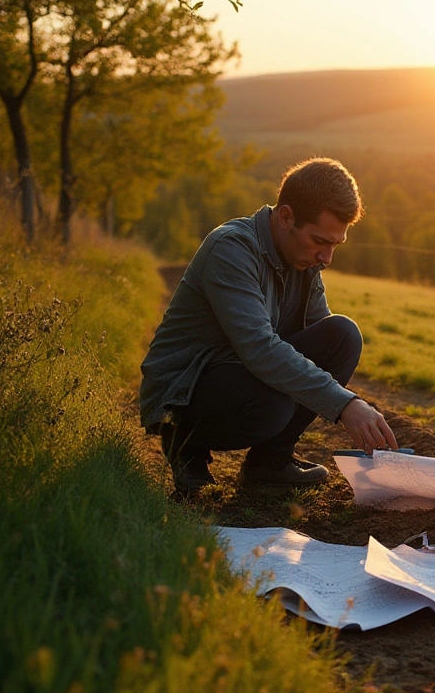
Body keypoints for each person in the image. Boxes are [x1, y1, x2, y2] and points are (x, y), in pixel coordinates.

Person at [139, 157, 397, 494]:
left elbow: (320, 340)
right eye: (320, 241)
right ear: (287, 216)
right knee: (272, 407)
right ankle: (186, 444)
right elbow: (260, 349)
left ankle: (269, 464)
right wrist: (344, 405)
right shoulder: (231, 248)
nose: (327, 257)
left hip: (236, 371)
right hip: (185, 389)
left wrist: (352, 404)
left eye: (335, 245)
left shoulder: (302, 262)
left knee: (343, 335)